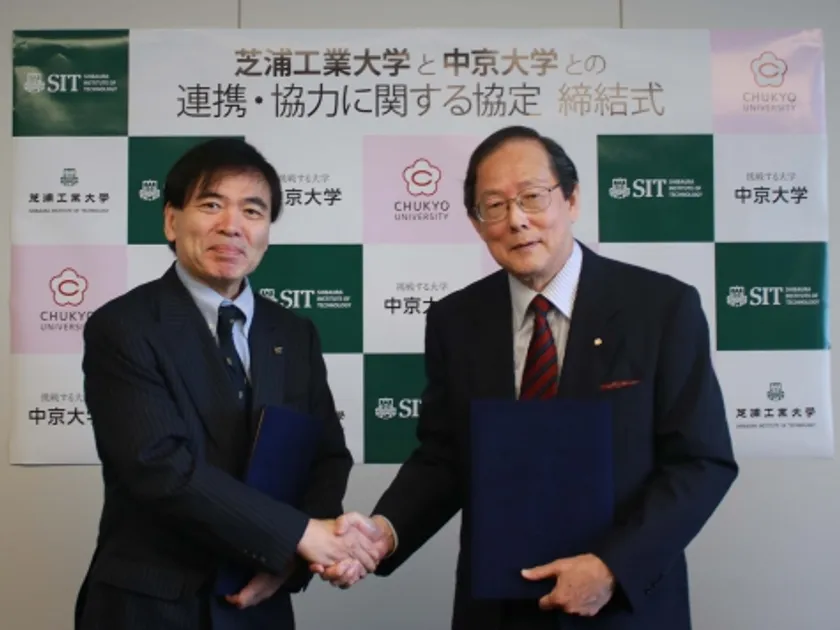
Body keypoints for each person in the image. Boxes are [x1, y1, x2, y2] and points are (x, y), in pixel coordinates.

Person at [315, 125, 739, 629]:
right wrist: (385, 532)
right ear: (477, 223)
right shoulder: (456, 320)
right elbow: (445, 457)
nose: (516, 220)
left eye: (533, 197)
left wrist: (612, 567)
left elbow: (701, 461)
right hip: (497, 609)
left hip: (623, 607)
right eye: (494, 206)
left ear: (572, 200)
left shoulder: (661, 308)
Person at [74, 138, 380, 630]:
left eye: (252, 211)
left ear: (267, 232)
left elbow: (326, 456)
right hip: (151, 607)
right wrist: (303, 535)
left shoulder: (294, 333)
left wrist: (290, 560)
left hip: (261, 603)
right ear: (171, 221)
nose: (232, 225)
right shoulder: (124, 326)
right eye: (211, 205)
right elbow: (159, 468)